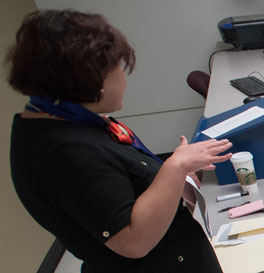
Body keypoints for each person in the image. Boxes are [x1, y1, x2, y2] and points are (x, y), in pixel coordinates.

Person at [8, 10, 232, 272]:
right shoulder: (64, 152)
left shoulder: (61, 122)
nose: (124, 78)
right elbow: (133, 241)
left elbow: (119, 183)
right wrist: (174, 168)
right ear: (89, 77)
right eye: (118, 68)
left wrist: (169, 177)